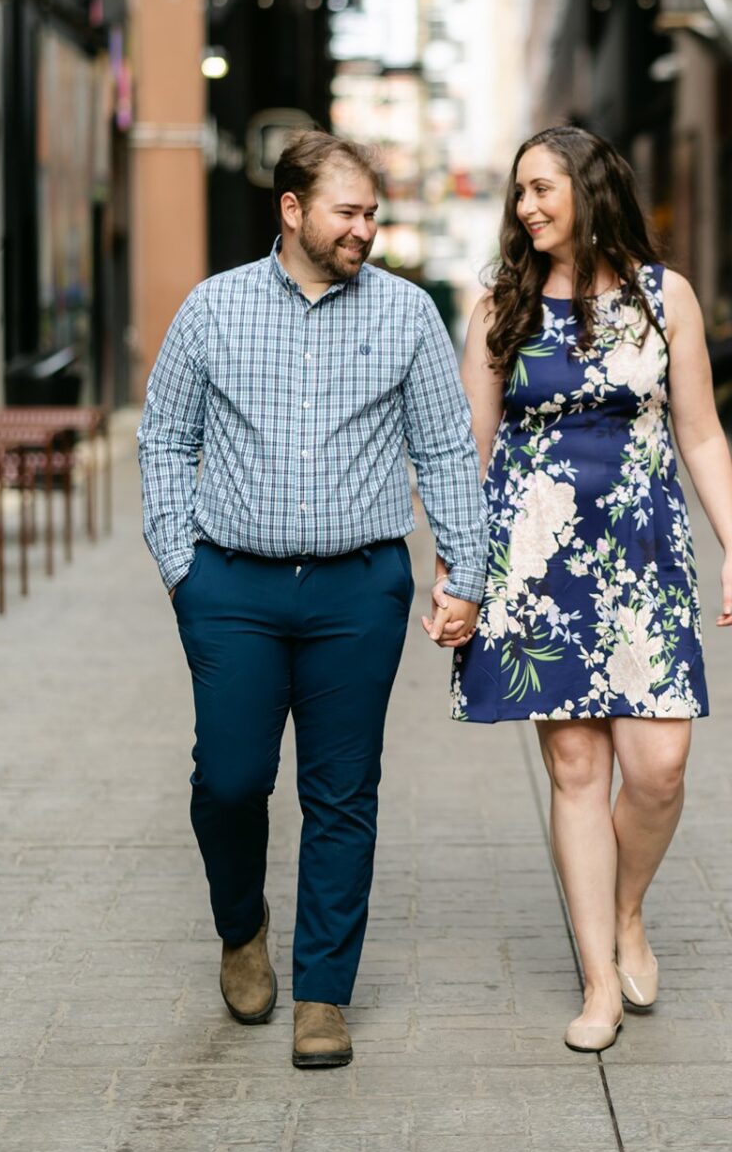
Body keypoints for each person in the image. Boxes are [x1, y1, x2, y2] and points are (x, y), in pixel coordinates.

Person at [138, 132, 486, 1070]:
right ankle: (241, 923)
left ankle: (323, 993)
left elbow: (447, 450)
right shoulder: (213, 310)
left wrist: (467, 574)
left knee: (342, 794)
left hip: (358, 589)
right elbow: (164, 438)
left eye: (373, 213)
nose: (366, 230)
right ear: (292, 210)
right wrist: (183, 566)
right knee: (230, 782)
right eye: (349, 212)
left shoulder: (407, 315)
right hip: (233, 587)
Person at [435, 126, 732, 1053]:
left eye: (542, 189)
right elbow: (469, 451)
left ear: (590, 187)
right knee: (578, 771)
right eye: (518, 193)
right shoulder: (500, 302)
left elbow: (698, 432)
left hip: (644, 557)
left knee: (658, 770)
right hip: (535, 562)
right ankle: (599, 983)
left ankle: (626, 912)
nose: (526, 206)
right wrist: (460, 576)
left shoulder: (666, 298)